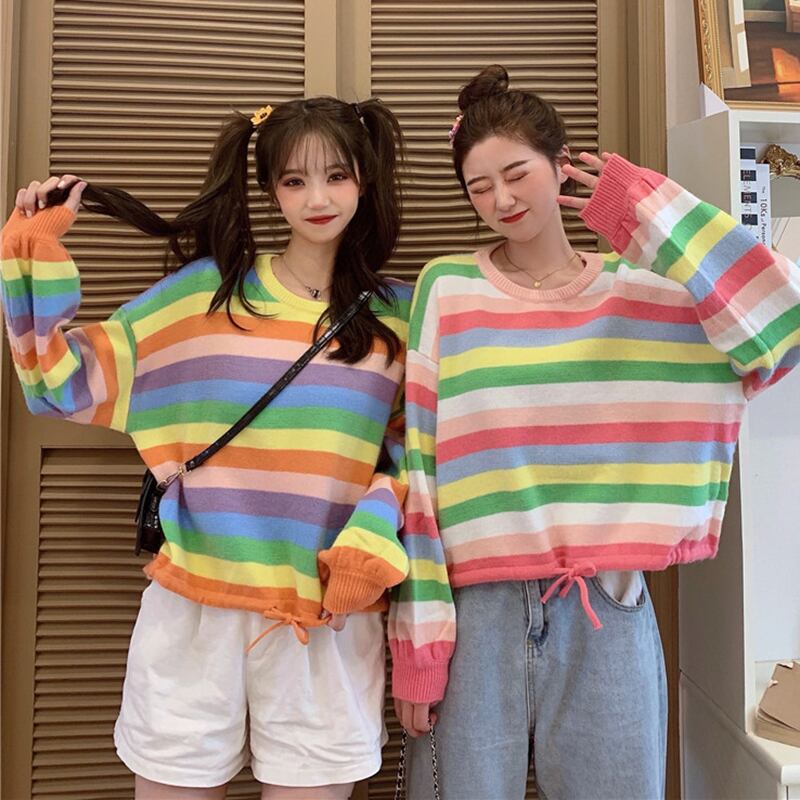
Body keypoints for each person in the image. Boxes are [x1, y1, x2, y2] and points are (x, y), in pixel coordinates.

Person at [388, 64, 800, 800]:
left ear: (561, 164)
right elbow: (416, 471)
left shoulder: (646, 294)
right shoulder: (446, 289)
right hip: (475, 611)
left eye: (517, 174)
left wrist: (643, 209)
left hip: (609, 601)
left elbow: (781, 323)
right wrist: (418, 647)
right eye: (479, 188)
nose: (501, 200)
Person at [2, 96, 413, 800]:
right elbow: (56, 383)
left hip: (327, 617)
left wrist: (369, 543)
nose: (317, 199)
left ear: (364, 180)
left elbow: (414, 459)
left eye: (336, 176)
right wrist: (32, 250)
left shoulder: (399, 318)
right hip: (195, 611)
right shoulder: (205, 298)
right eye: (294, 180)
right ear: (269, 190)